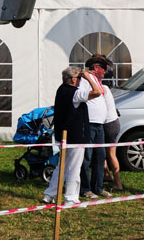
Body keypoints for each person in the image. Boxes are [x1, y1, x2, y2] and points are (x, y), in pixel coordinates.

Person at [43, 66, 102, 205]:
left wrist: (84, 76)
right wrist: (88, 77)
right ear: (74, 79)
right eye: (80, 78)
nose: (82, 80)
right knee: (74, 168)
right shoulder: (75, 93)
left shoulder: (61, 89)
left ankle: (49, 194)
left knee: (62, 166)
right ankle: (71, 198)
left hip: (64, 134)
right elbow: (98, 91)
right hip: (76, 136)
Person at [79, 56, 110, 199]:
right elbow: (82, 96)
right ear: (97, 68)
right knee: (87, 156)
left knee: (100, 156)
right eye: (104, 69)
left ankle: (97, 187)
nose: (105, 72)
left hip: (99, 124)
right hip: (89, 123)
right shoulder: (85, 80)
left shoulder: (96, 80)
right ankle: (85, 189)